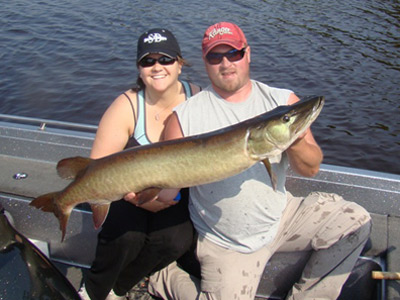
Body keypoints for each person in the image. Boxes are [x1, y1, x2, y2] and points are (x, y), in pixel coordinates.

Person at [146, 22, 372, 300]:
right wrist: (142, 196)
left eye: (234, 53)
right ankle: (162, 276)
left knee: (356, 221)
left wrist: (294, 134)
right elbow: (168, 189)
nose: (226, 63)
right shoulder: (184, 117)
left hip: (281, 218)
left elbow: (309, 168)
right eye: (215, 57)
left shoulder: (283, 101)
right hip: (227, 243)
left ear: (248, 53)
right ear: (205, 62)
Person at [78, 28, 201, 300]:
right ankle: (92, 289)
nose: (157, 67)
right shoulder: (126, 106)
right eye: (148, 61)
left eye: (166, 59)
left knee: (175, 241)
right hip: (125, 190)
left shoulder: (199, 99)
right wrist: (137, 199)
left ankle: (120, 287)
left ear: (180, 64)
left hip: (173, 191)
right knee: (126, 237)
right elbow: (95, 169)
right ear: (139, 68)